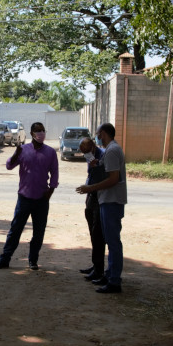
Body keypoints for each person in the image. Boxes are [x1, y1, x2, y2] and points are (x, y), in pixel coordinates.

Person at [0, 122, 59, 271]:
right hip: (24, 197)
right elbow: (9, 166)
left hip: (42, 199)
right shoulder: (23, 150)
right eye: (38, 131)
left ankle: (33, 260)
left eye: (43, 130)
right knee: (15, 229)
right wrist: (15, 154)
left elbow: (54, 172)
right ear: (32, 133)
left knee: (38, 232)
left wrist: (51, 190)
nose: (41, 133)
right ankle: (4, 259)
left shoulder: (50, 152)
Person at [76, 123, 127, 294]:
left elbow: (113, 179)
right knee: (110, 241)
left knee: (112, 243)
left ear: (104, 134)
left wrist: (90, 188)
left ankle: (114, 281)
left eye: (99, 135)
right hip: (107, 200)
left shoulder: (112, 150)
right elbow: (107, 172)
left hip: (111, 201)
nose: (98, 138)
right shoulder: (112, 150)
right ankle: (109, 275)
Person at [77, 137, 106, 281]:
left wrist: (97, 166)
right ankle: (95, 265)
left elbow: (106, 178)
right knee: (93, 234)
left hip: (99, 198)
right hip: (91, 197)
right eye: (83, 153)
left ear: (93, 147)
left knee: (98, 235)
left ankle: (99, 269)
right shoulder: (91, 157)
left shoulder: (103, 156)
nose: (85, 155)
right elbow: (91, 176)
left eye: (87, 152)